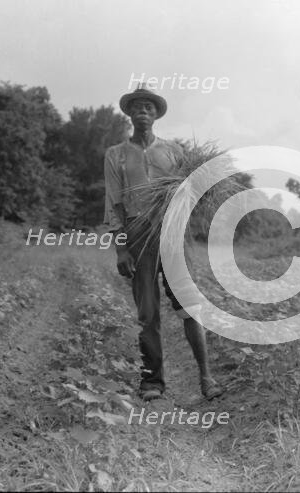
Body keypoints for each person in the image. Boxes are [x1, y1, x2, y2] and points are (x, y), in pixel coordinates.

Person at [103, 85, 223, 401]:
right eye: (137, 106)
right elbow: (113, 203)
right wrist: (121, 247)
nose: (143, 111)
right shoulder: (115, 155)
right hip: (137, 234)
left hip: (170, 234)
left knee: (189, 306)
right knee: (148, 312)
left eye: (149, 107)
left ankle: (206, 378)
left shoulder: (173, 152)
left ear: (156, 114)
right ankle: (152, 382)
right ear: (129, 113)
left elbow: (189, 190)